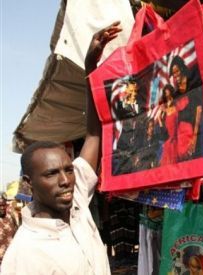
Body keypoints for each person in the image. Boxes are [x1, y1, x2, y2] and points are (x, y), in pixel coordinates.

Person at [1, 21, 122, 275]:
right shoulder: (24, 254)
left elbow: (92, 134)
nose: (66, 180)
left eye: (68, 169)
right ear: (28, 183)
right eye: (51, 173)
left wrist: (90, 68)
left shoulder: (76, 201)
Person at [170, 55, 203, 161]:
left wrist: (194, 136)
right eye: (173, 73)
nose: (175, 75)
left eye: (177, 71)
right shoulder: (175, 94)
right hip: (181, 135)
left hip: (194, 131)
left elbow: (199, 111)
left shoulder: (193, 86)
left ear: (182, 68)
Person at [158, 84, 178, 165]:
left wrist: (165, 110)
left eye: (167, 92)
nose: (166, 95)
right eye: (165, 93)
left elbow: (174, 112)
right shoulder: (164, 105)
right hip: (165, 131)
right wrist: (160, 119)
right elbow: (160, 118)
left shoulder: (175, 102)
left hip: (173, 132)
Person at [0, 194, 19, 269]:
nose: (1, 207)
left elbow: (17, 228)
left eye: (3, 205)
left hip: (10, 255)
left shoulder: (12, 214)